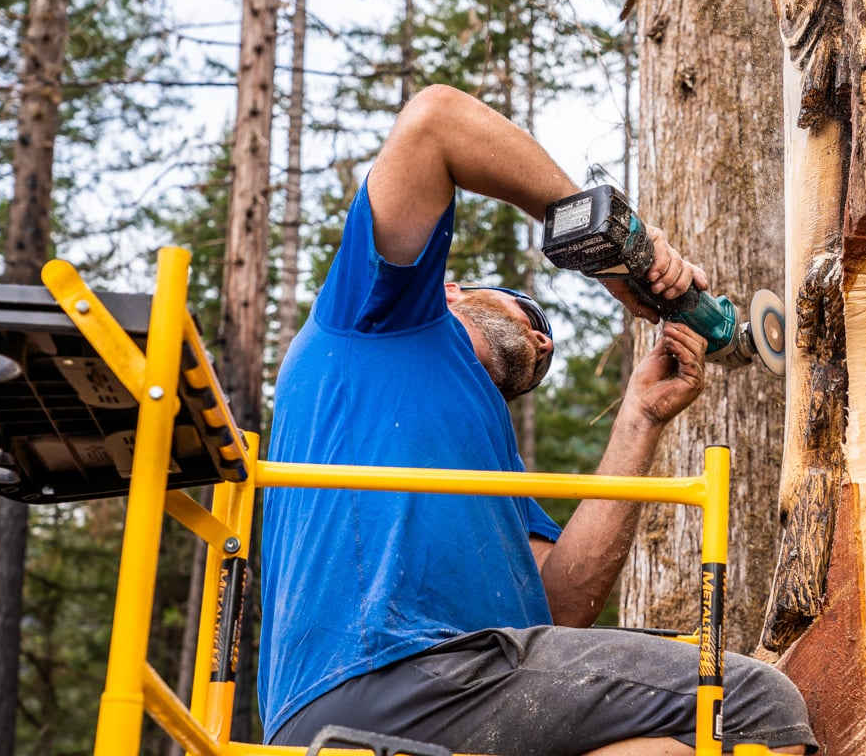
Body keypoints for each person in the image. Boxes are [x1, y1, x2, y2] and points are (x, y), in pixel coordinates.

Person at [258, 84, 818, 756]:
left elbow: (556, 613)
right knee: (758, 704)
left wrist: (638, 420)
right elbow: (435, 122)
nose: (543, 338)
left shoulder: (486, 467)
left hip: (470, 697)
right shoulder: (375, 312)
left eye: (546, 342)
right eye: (529, 312)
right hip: (377, 671)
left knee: (662, 751)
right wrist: (609, 245)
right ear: (449, 288)